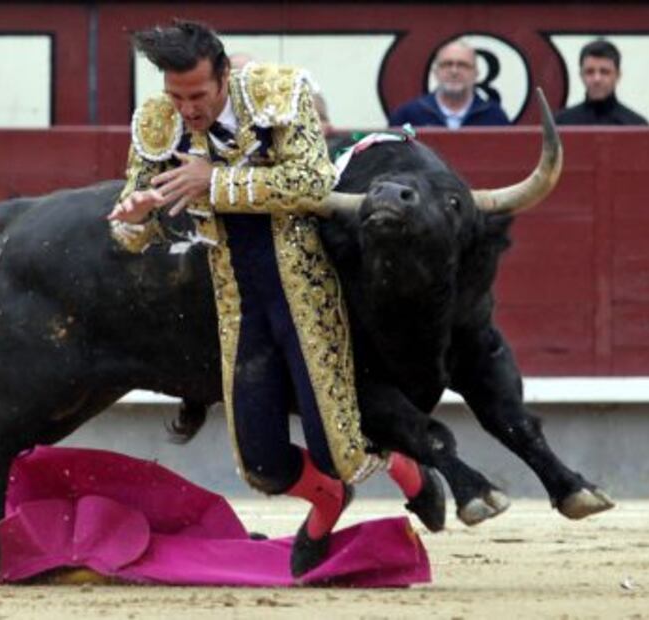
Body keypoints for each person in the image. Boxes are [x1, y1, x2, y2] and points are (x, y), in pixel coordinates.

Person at [107, 20, 430, 577]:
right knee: (261, 465)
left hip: (305, 290)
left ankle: (407, 468)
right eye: (175, 96)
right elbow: (137, 226)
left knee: (342, 453)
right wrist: (137, 219)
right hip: (240, 303)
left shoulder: (281, 92)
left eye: (198, 96)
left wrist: (216, 182)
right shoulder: (155, 121)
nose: (186, 109)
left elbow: (311, 182)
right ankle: (327, 501)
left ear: (225, 76)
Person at [388, 39, 510, 129]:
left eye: (463, 65)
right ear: (436, 72)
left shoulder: (494, 117)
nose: (454, 71)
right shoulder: (408, 116)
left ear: (476, 74)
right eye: (447, 64)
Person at [555, 39, 649, 126]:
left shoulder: (636, 125)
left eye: (604, 72)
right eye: (590, 71)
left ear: (618, 75)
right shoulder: (561, 123)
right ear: (581, 75)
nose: (597, 79)